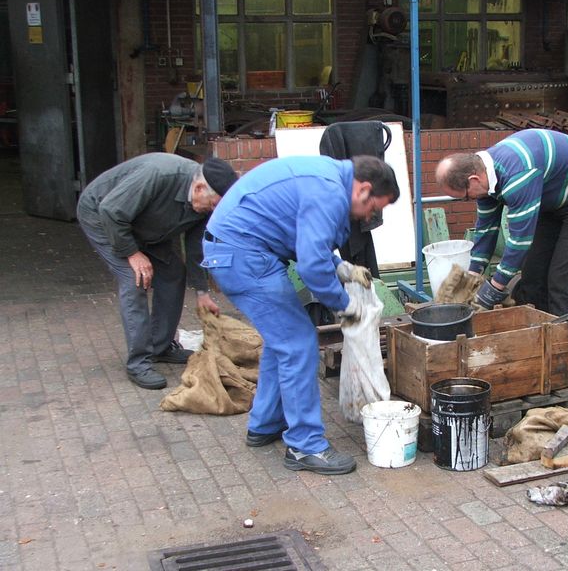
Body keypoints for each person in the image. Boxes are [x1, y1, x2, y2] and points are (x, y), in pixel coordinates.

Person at [202, 154, 400, 475]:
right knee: (298, 342)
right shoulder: (330, 192)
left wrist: (342, 268)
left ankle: (266, 423)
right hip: (244, 256)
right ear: (363, 189)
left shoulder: (327, 179)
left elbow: (302, 236)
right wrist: (345, 305)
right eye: (374, 208)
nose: (369, 217)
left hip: (238, 251)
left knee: (283, 339)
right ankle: (304, 445)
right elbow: (310, 265)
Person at [435, 128, 568, 380]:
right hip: (553, 196)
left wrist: (493, 290)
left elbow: (519, 243)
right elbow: (486, 230)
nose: (467, 201)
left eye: (464, 197)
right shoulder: (487, 179)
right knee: (533, 279)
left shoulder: (518, 174)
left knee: (563, 286)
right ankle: (536, 355)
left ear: (474, 180)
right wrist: (471, 277)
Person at [77, 153, 238, 390]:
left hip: (145, 225)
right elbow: (111, 211)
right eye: (213, 204)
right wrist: (133, 253)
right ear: (200, 187)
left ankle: (160, 346)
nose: (213, 211)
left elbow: (196, 248)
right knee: (135, 279)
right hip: (103, 217)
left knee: (173, 273)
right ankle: (138, 362)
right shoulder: (158, 174)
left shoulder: (204, 204)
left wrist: (202, 292)